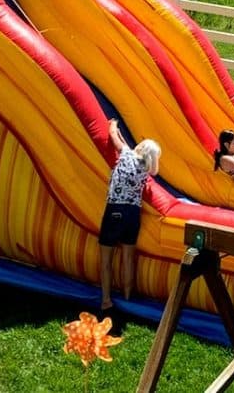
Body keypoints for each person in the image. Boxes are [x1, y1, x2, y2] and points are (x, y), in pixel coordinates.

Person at [99, 118, 161, 323]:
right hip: (133, 214)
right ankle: (127, 297)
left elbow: (113, 136)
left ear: (140, 147)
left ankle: (106, 300)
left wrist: (113, 123)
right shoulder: (146, 169)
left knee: (106, 260)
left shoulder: (126, 154)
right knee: (128, 259)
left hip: (115, 209)